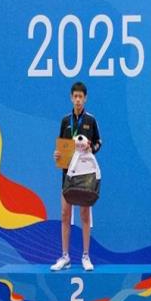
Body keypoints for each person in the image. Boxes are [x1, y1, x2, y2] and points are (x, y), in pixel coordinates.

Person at [51, 82, 102, 271]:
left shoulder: (91, 120)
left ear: (85, 98)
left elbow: (99, 142)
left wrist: (91, 147)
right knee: (65, 214)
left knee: (84, 214)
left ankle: (86, 255)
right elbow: (62, 146)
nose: (78, 100)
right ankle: (65, 256)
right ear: (71, 98)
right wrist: (57, 155)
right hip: (67, 175)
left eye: (81, 96)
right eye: (75, 96)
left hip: (86, 176)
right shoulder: (65, 121)